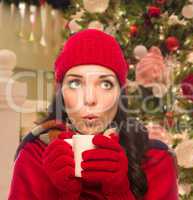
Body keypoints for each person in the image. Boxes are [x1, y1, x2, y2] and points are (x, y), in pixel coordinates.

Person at [8, 29, 179, 200]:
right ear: (61, 92)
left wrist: (119, 193)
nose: (90, 99)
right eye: (75, 83)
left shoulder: (156, 159)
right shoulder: (34, 156)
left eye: (105, 84)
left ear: (121, 92)